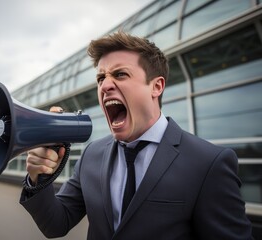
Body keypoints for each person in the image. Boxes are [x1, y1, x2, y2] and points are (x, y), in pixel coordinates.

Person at [20, 31, 253, 239]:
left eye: (120, 74)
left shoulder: (208, 163)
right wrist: (38, 178)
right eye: (101, 78)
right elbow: (55, 224)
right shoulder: (92, 154)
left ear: (157, 87)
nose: (104, 85)